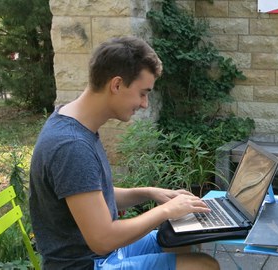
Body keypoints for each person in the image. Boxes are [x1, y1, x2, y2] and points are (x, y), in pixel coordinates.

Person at [29, 36, 220, 270]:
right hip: (87, 264)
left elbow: (89, 195)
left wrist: (149, 193)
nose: (145, 104)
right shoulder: (71, 146)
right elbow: (102, 239)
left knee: (180, 240)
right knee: (204, 265)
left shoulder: (74, 123)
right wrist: (166, 211)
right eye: (143, 93)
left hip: (101, 254)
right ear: (117, 85)